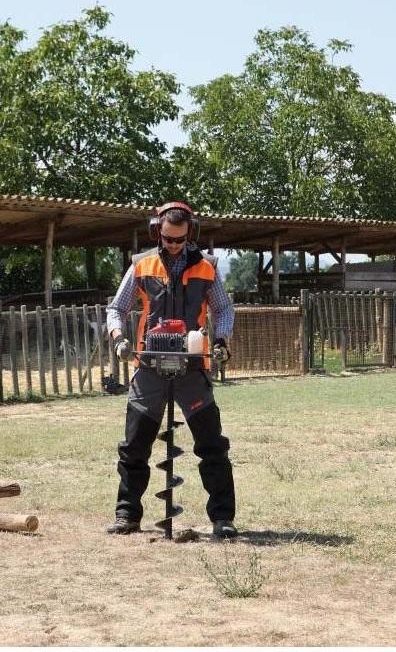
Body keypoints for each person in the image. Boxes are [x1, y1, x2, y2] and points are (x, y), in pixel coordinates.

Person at [105, 201, 237, 539]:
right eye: (168, 239)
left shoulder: (207, 267)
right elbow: (117, 308)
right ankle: (127, 515)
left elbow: (223, 308)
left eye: (180, 239)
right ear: (157, 232)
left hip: (192, 367)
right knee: (134, 445)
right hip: (149, 365)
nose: (174, 245)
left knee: (212, 444)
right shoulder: (141, 265)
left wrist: (221, 340)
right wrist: (119, 339)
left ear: (190, 233)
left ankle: (223, 518)